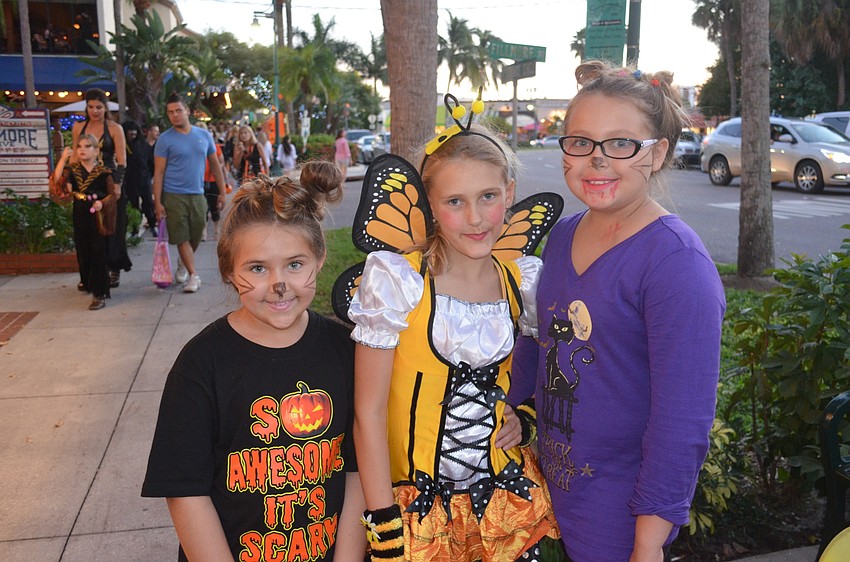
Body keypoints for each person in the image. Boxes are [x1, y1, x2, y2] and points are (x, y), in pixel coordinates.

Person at [509, 60, 726, 562]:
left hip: (622, 522)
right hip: (548, 497)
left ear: (657, 154)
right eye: (580, 142)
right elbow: (538, 342)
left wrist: (647, 545)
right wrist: (510, 407)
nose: (597, 160)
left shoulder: (676, 264)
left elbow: (682, 422)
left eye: (620, 144)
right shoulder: (562, 236)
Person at [347, 118, 560, 561]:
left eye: (488, 197)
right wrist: (383, 519)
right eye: (455, 202)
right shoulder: (398, 282)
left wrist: (524, 415)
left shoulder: (522, 282)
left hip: (506, 501)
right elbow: (368, 412)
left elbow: (543, 367)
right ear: (430, 204)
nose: (476, 218)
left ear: (510, 193)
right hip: (414, 509)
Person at [142, 161, 366, 561]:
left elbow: (358, 470)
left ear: (320, 258)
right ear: (229, 270)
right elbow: (185, 491)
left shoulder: (346, 350)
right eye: (258, 268)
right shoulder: (201, 364)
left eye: (295, 264)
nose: (278, 284)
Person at [153, 93, 227, 294]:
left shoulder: (203, 136)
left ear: (187, 111)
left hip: (197, 193)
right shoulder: (165, 140)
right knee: (181, 236)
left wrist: (222, 191)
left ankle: (183, 262)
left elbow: (215, 165)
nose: (175, 115)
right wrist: (157, 202)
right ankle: (194, 275)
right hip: (173, 195)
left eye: (178, 110)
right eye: (170, 112)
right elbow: (158, 173)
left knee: (197, 234)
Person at [71, 88, 131, 288]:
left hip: (109, 181)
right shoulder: (79, 127)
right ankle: (91, 273)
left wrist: (118, 184)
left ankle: (114, 268)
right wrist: (69, 178)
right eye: (90, 107)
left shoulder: (114, 128)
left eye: (99, 107)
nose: (94, 111)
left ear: (105, 107)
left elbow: (122, 159)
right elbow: (74, 156)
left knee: (113, 227)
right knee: (89, 231)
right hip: (86, 182)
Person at [52, 135, 119, 310]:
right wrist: (63, 159)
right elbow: (57, 182)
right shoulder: (73, 170)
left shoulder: (104, 172)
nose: (82, 149)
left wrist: (102, 203)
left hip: (99, 216)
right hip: (80, 213)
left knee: (98, 252)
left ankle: (100, 293)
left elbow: (113, 195)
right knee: (84, 251)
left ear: (96, 150)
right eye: (79, 146)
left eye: (88, 146)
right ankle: (88, 282)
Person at [122, 120, 157, 237]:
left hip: (143, 178)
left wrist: (149, 176)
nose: (132, 137)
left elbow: (151, 162)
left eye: (134, 134)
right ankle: (134, 228)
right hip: (129, 180)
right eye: (130, 135)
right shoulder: (122, 145)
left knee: (148, 203)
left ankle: (152, 224)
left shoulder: (143, 145)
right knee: (133, 205)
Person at [195, 122, 226, 240]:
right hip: (199, 180)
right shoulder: (193, 147)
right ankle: (203, 231)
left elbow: (221, 162)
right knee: (202, 206)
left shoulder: (214, 146)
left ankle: (216, 229)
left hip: (213, 180)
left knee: (214, 206)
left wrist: (215, 166)